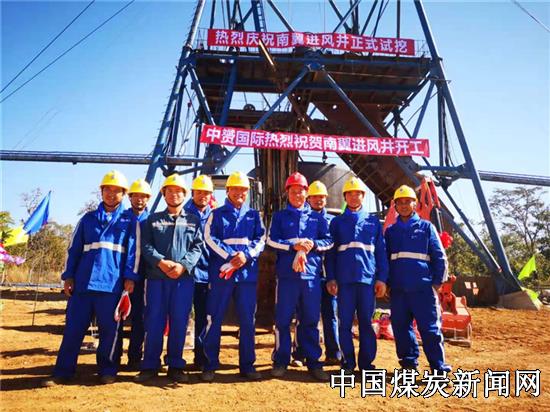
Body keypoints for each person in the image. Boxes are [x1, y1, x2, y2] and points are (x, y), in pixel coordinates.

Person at [43, 170, 139, 386]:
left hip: (112, 284)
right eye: (107, 190)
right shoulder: (88, 219)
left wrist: (130, 277)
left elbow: (134, 252)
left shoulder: (129, 221)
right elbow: (73, 249)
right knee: (73, 330)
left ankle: (107, 370)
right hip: (83, 284)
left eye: (117, 191)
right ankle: (63, 372)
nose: (111, 194)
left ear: (124, 194)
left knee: (110, 331)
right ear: (101, 192)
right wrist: (68, 276)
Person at [135, 173, 203, 383]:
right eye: (170, 191)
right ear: (163, 194)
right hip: (157, 279)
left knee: (179, 322)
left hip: (183, 280)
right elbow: (146, 246)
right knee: (154, 321)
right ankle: (150, 365)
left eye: (178, 191)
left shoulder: (193, 220)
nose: (174, 194)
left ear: (185, 194)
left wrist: (183, 265)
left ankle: (175, 365)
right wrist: (161, 262)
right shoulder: (152, 220)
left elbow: (197, 247)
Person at [200, 171, 266, 382]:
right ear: (227, 190)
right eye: (235, 189)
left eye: (243, 189)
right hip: (222, 274)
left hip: (246, 275)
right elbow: (209, 238)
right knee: (214, 318)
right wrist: (231, 257)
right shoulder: (216, 214)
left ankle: (247, 365)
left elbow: (261, 239)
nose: (239, 193)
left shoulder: (254, 215)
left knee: (247, 320)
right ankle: (210, 364)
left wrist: (245, 256)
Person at [268, 172, 333, 381]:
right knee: (283, 320)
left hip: (311, 277)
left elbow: (329, 241)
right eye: (293, 191)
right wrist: (293, 245)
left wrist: (313, 244)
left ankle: (313, 362)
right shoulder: (279, 217)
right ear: (287, 193)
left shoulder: (317, 217)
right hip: (287, 277)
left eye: (301, 191)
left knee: (311, 320)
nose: (297, 195)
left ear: (307, 193)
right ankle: (281, 360)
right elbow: (271, 241)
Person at [384, 185, 451, 373]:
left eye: (408, 201)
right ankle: (408, 365)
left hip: (423, 289)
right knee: (401, 328)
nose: (404, 205)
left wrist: (436, 283)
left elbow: (440, 257)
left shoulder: (427, 228)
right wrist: (387, 283)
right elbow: (385, 259)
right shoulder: (391, 232)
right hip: (399, 290)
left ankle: (438, 368)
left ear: (415, 204)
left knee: (430, 329)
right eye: (400, 202)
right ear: (395, 206)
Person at [326, 176, 388, 373]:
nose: (354, 197)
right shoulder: (336, 223)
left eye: (358, 194)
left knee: (366, 324)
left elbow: (381, 252)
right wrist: (331, 278)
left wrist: (381, 278)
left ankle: (366, 365)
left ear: (363, 196)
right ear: (345, 197)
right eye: (350, 194)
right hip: (344, 281)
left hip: (367, 281)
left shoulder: (373, 222)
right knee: (344, 324)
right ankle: (348, 363)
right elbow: (331, 254)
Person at [292, 180, 341, 366]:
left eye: (321, 197)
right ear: (308, 198)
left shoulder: (333, 221)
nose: (318, 200)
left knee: (330, 314)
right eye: (314, 197)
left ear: (326, 199)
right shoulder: (303, 218)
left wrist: (333, 276)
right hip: (308, 273)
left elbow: (334, 248)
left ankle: (333, 352)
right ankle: (300, 353)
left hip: (328, 275)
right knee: (304, 314)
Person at [183, 174, 214, 371]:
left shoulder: (215, 215)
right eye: (199, 192)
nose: (202, 196)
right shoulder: (182, 213)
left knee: (203, 317)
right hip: (185, 274)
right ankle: (174, 358)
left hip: (206, 274)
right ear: (192, 193)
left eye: (206, 193)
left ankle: (201, 357)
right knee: (179, 316)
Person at [123, 178, 152, 370]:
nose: (139, 199)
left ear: (148, 198)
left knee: (140, 318)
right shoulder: (121, 218)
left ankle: (134, 357)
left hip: (144, 277)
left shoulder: (152, 221)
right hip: (120, 276)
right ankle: (113, 357)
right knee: (117, 317)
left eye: (143, 196)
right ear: (130, 197)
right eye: (136, 196)